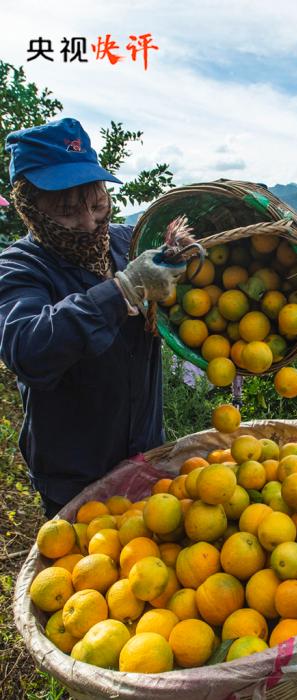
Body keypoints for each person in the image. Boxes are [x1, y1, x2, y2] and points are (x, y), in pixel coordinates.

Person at [0, 118, 193, 517]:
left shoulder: (126, 243)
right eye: (67, 211)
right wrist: (122, 291)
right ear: (29, 208)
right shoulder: (19, 268)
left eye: (98, 204)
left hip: (147, 458)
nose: (89, 222)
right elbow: (29, 349)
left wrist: (184, 262)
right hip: (75, 480)